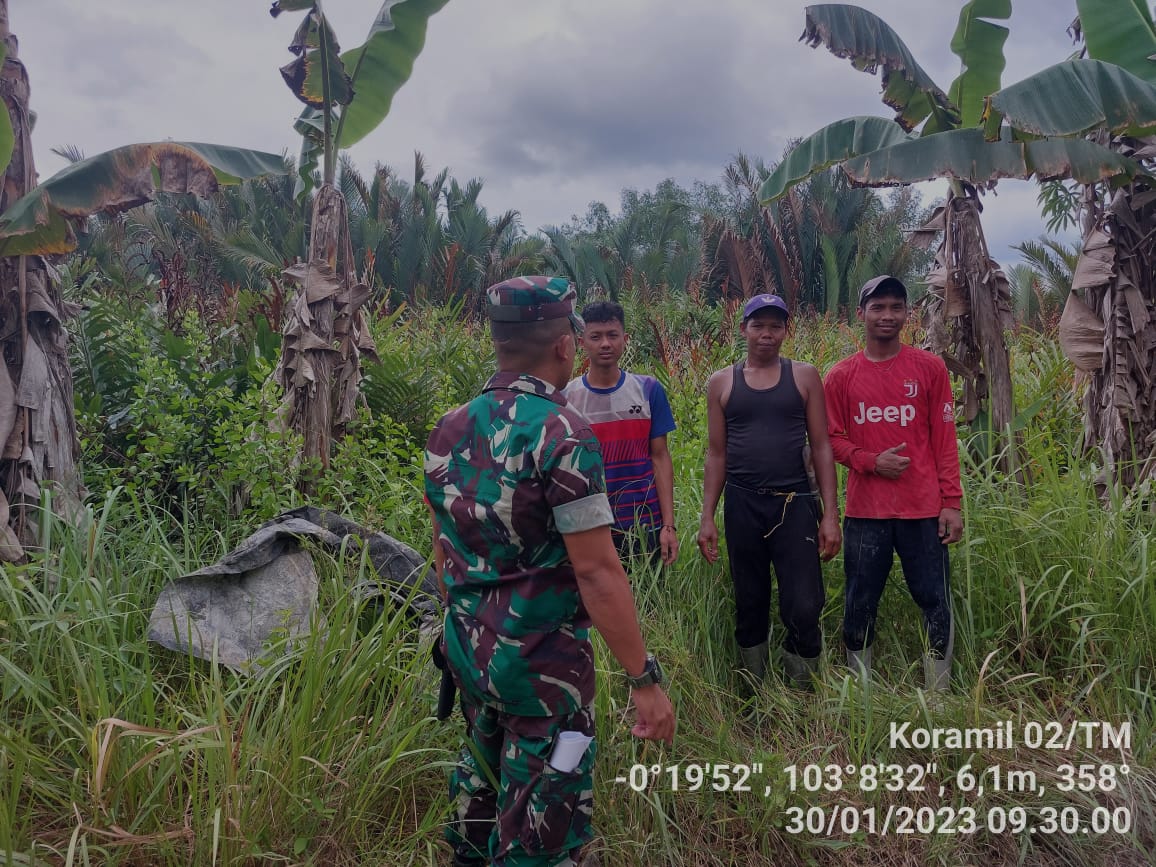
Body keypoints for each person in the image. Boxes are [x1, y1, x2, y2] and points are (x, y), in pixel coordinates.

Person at [424, 276, 676, 867]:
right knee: (543, 833)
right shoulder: (561, 433)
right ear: (566, 345)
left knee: (480, 796)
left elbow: (443, 552)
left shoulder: (449, 426)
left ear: (497, 340)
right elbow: (598, 572)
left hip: (470, 655)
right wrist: (644, 679)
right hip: (543, 671)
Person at [823, 275, 964, 691]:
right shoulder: (841, 376)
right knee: (860, 602)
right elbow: (830, 439)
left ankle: (939, 696)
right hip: (866, 513)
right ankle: (860, 692)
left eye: (895, 307)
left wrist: (951, 502)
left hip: (923, 510)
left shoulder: (930, 369)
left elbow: (944, 440)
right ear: (861, 314)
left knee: (935, 599)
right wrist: (870, 462)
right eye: (878, 307)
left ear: (907, 313)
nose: (887, 316)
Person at [697, 293, 841, 690]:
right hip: (743, 503)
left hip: (794, 503)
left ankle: (803, 691)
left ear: (785, 330)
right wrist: (707, 517)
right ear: (743, 329)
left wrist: (830, 514)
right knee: (750, 598)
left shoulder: (804, 376)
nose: (766, 334)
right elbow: (716, 453)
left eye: (775, 326)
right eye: (758, 325)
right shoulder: (722, 382)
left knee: (804, 601)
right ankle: (753, 690)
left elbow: (822, 447)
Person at [562, 301, 678, 565]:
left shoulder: (648, 390)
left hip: (644, 523)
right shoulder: (567, 399)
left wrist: (668, 526)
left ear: (625, 339)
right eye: (596, 336)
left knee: (650, 602)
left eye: (612, 335)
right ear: (582, 343)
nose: (605, 343)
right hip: (590, 527)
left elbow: (660, 457)